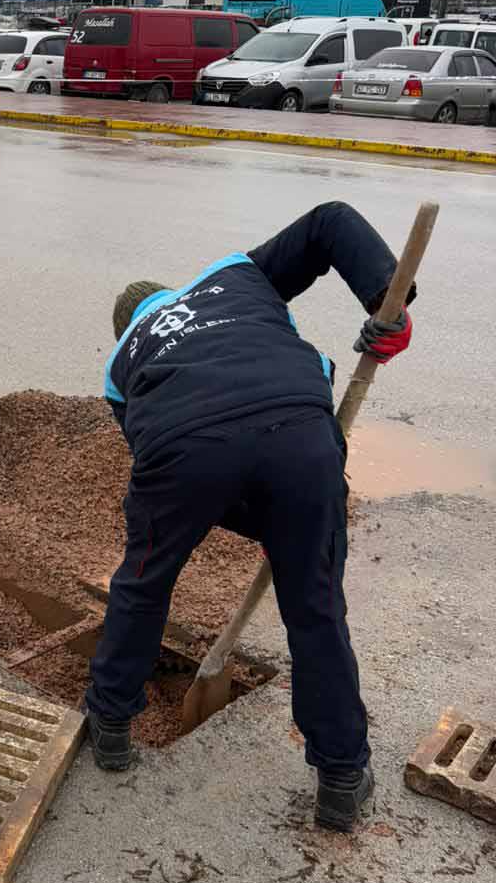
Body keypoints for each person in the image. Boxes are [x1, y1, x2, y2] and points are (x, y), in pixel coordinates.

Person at [90, 201, 415, 832]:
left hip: (186, 448)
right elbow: (329, 225)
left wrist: (253, 515)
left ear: (129, 326)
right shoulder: (234, 277)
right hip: (300, 435)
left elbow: (166, 467)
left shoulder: (120, 365)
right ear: (175, 292)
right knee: (316, 604)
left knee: (145, 580)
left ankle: (109, 726)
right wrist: (387, 303)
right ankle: (342, 779)